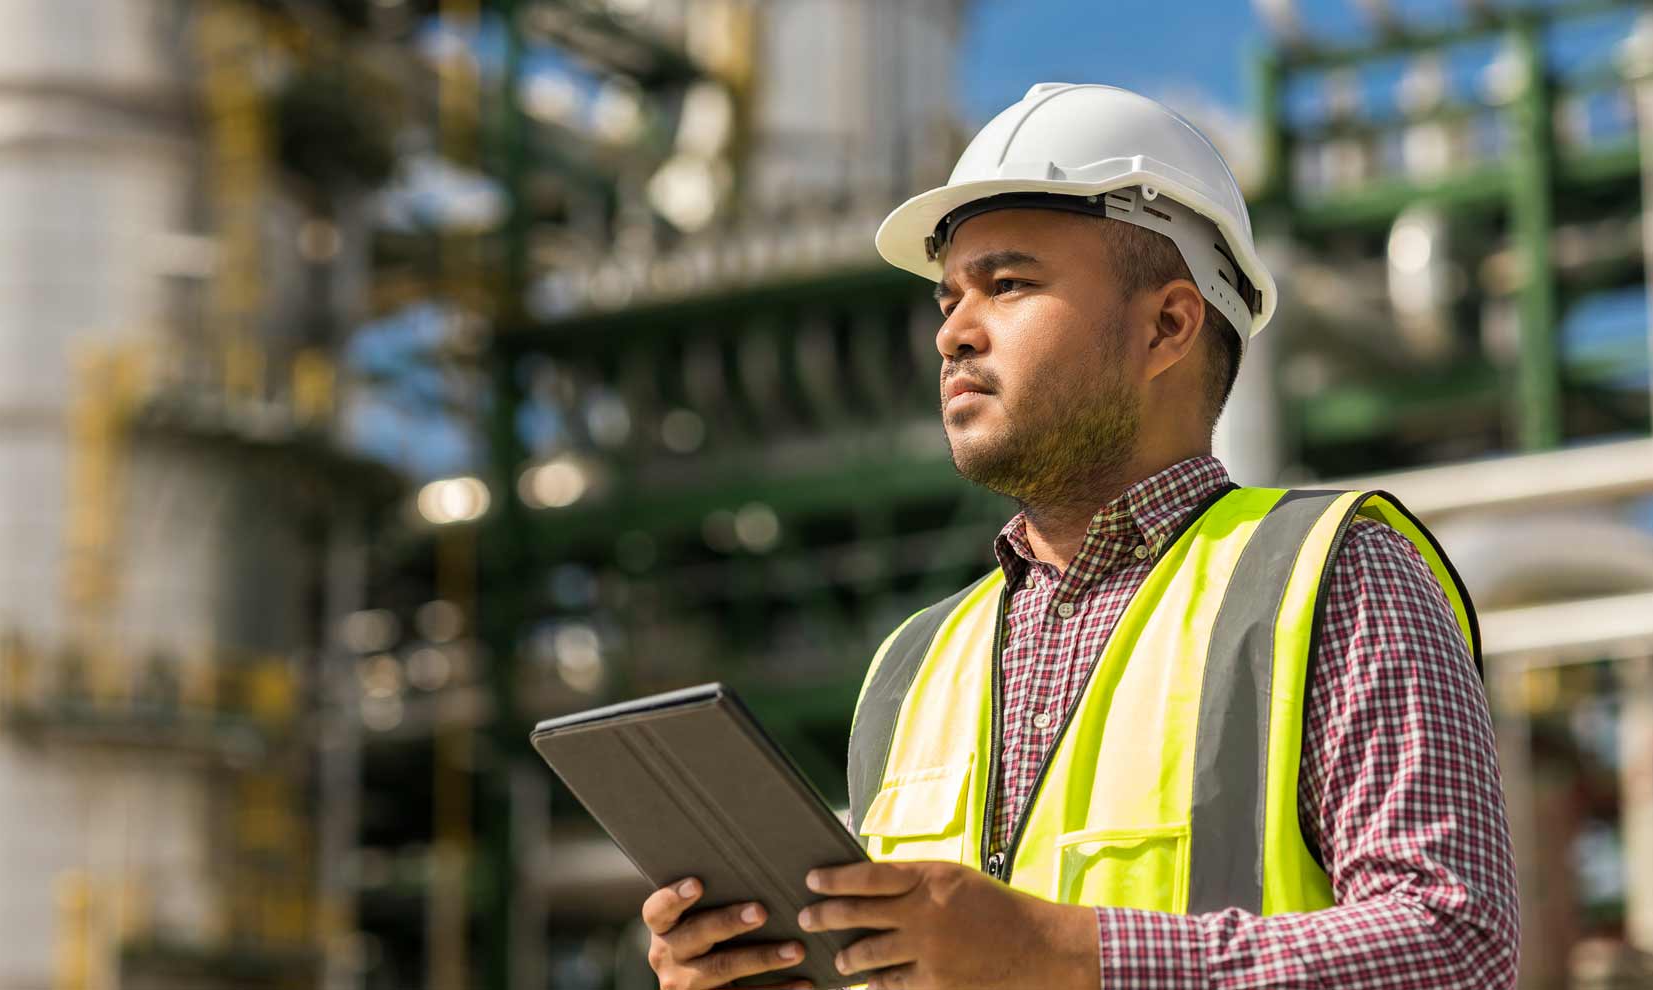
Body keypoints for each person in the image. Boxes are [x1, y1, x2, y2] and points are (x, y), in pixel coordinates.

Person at [641, 82, 1517, 990]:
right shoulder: (913, 665)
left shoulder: (1335, 575)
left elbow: (1455, 946)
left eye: (1008, 285)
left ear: (1168, 325)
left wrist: (1060, 955)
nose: (953, 334)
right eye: (948, 299)